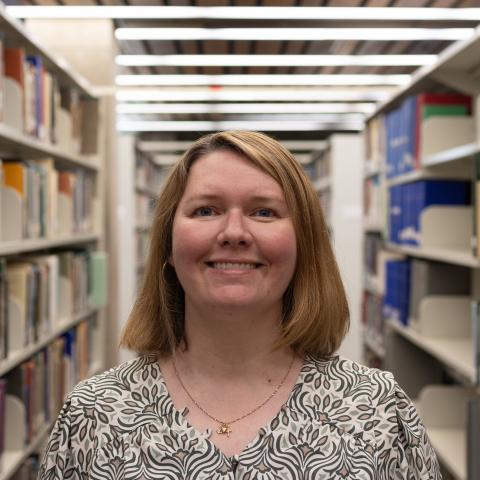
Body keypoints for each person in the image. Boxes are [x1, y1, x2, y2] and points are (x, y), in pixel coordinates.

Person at [39, 130, 441, 479]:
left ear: (304, 246)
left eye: (263, 212)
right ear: (168, 245)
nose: (234, 233)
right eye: (206, 210)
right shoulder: (93, 413)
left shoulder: (377, 410)